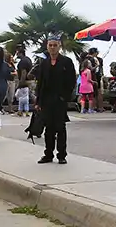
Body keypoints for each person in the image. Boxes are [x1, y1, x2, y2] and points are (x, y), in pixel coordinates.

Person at [33, 35, 76, 164]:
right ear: (47, 46)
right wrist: (38, 101)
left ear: (59, 47)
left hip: (59, 100)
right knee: (48, 129)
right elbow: (40, 83)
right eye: (50, 45)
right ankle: (48, 154)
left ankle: (61, 155)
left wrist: (64, 97)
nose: (52, 48)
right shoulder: (44, 63)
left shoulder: (66, 62)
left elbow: (71, 81)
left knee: (60, 128)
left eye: (55, 45)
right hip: (46, 100)